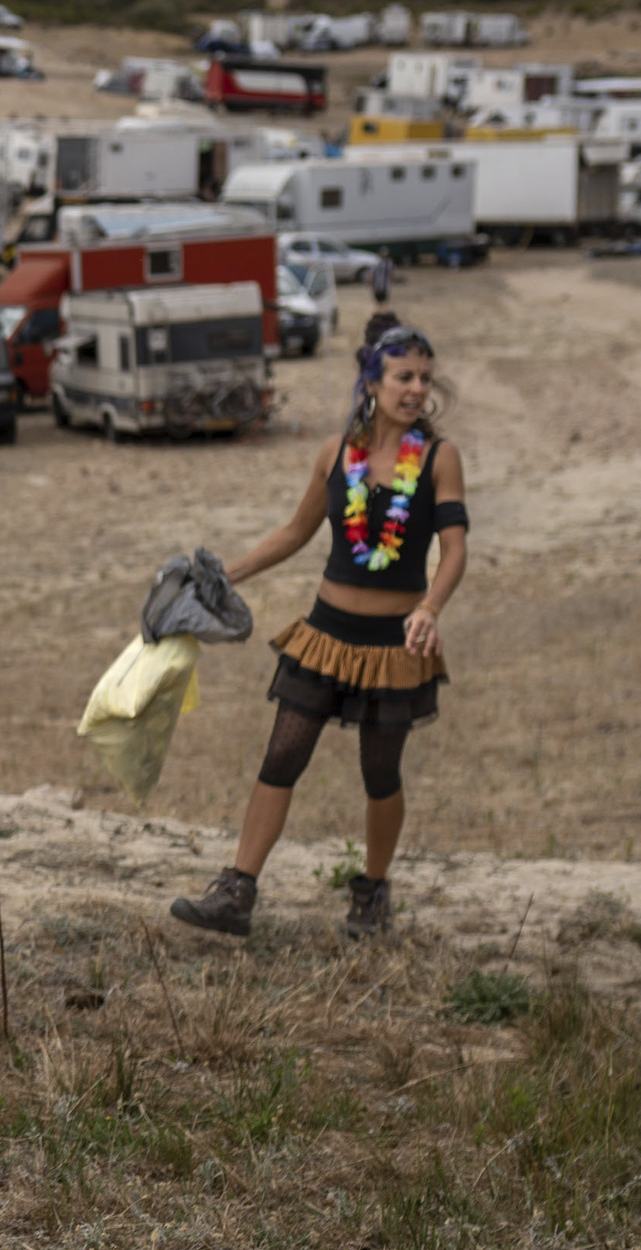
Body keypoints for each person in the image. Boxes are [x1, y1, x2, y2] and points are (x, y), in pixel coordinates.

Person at [170, 327, 466, 940]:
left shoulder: (440, 459)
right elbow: (295, 532)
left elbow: (457, 551)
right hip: (326, 634)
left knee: (380, 773)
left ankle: (373, 896)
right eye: (403, 377)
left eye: (424, 378)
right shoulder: (336, 453)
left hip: (392, 646)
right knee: (282, 754)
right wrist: (228, 573)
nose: (416, 389)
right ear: (372, 382)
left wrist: (431, 607)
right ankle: (236, 889)